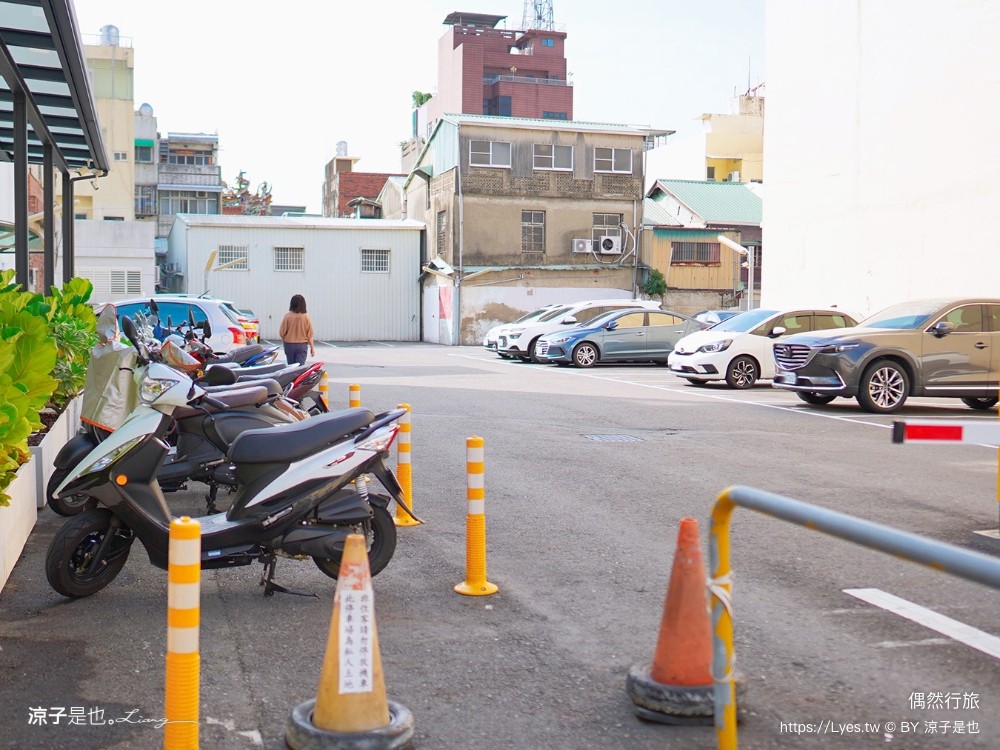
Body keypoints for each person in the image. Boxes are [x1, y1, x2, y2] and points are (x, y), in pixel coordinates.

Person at [279, 294, 315, 365]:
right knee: (299, 368)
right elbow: (310, 335)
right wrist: (312, 348)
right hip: (302, 346)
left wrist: (285, 344)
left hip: (289, 345)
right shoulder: (306, 317)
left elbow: (282, 333)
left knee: (291, 367)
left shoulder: (287, 316)